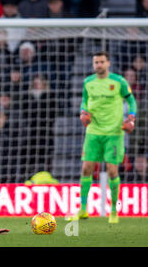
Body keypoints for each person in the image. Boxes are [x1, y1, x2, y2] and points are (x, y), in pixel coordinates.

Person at [69, 52, 138, 224]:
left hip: (114, 133)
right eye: (96, 62)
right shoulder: (88, 82)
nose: (98, 65)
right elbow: (84, 101)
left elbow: (132, 102)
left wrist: (131, 118)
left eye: (101, 62)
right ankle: (83, 209)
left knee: (112, 170)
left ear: (108, 63)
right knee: (86, 169)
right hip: (93, 132)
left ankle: (114, 210)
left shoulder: (119, 81)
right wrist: (83, 112)